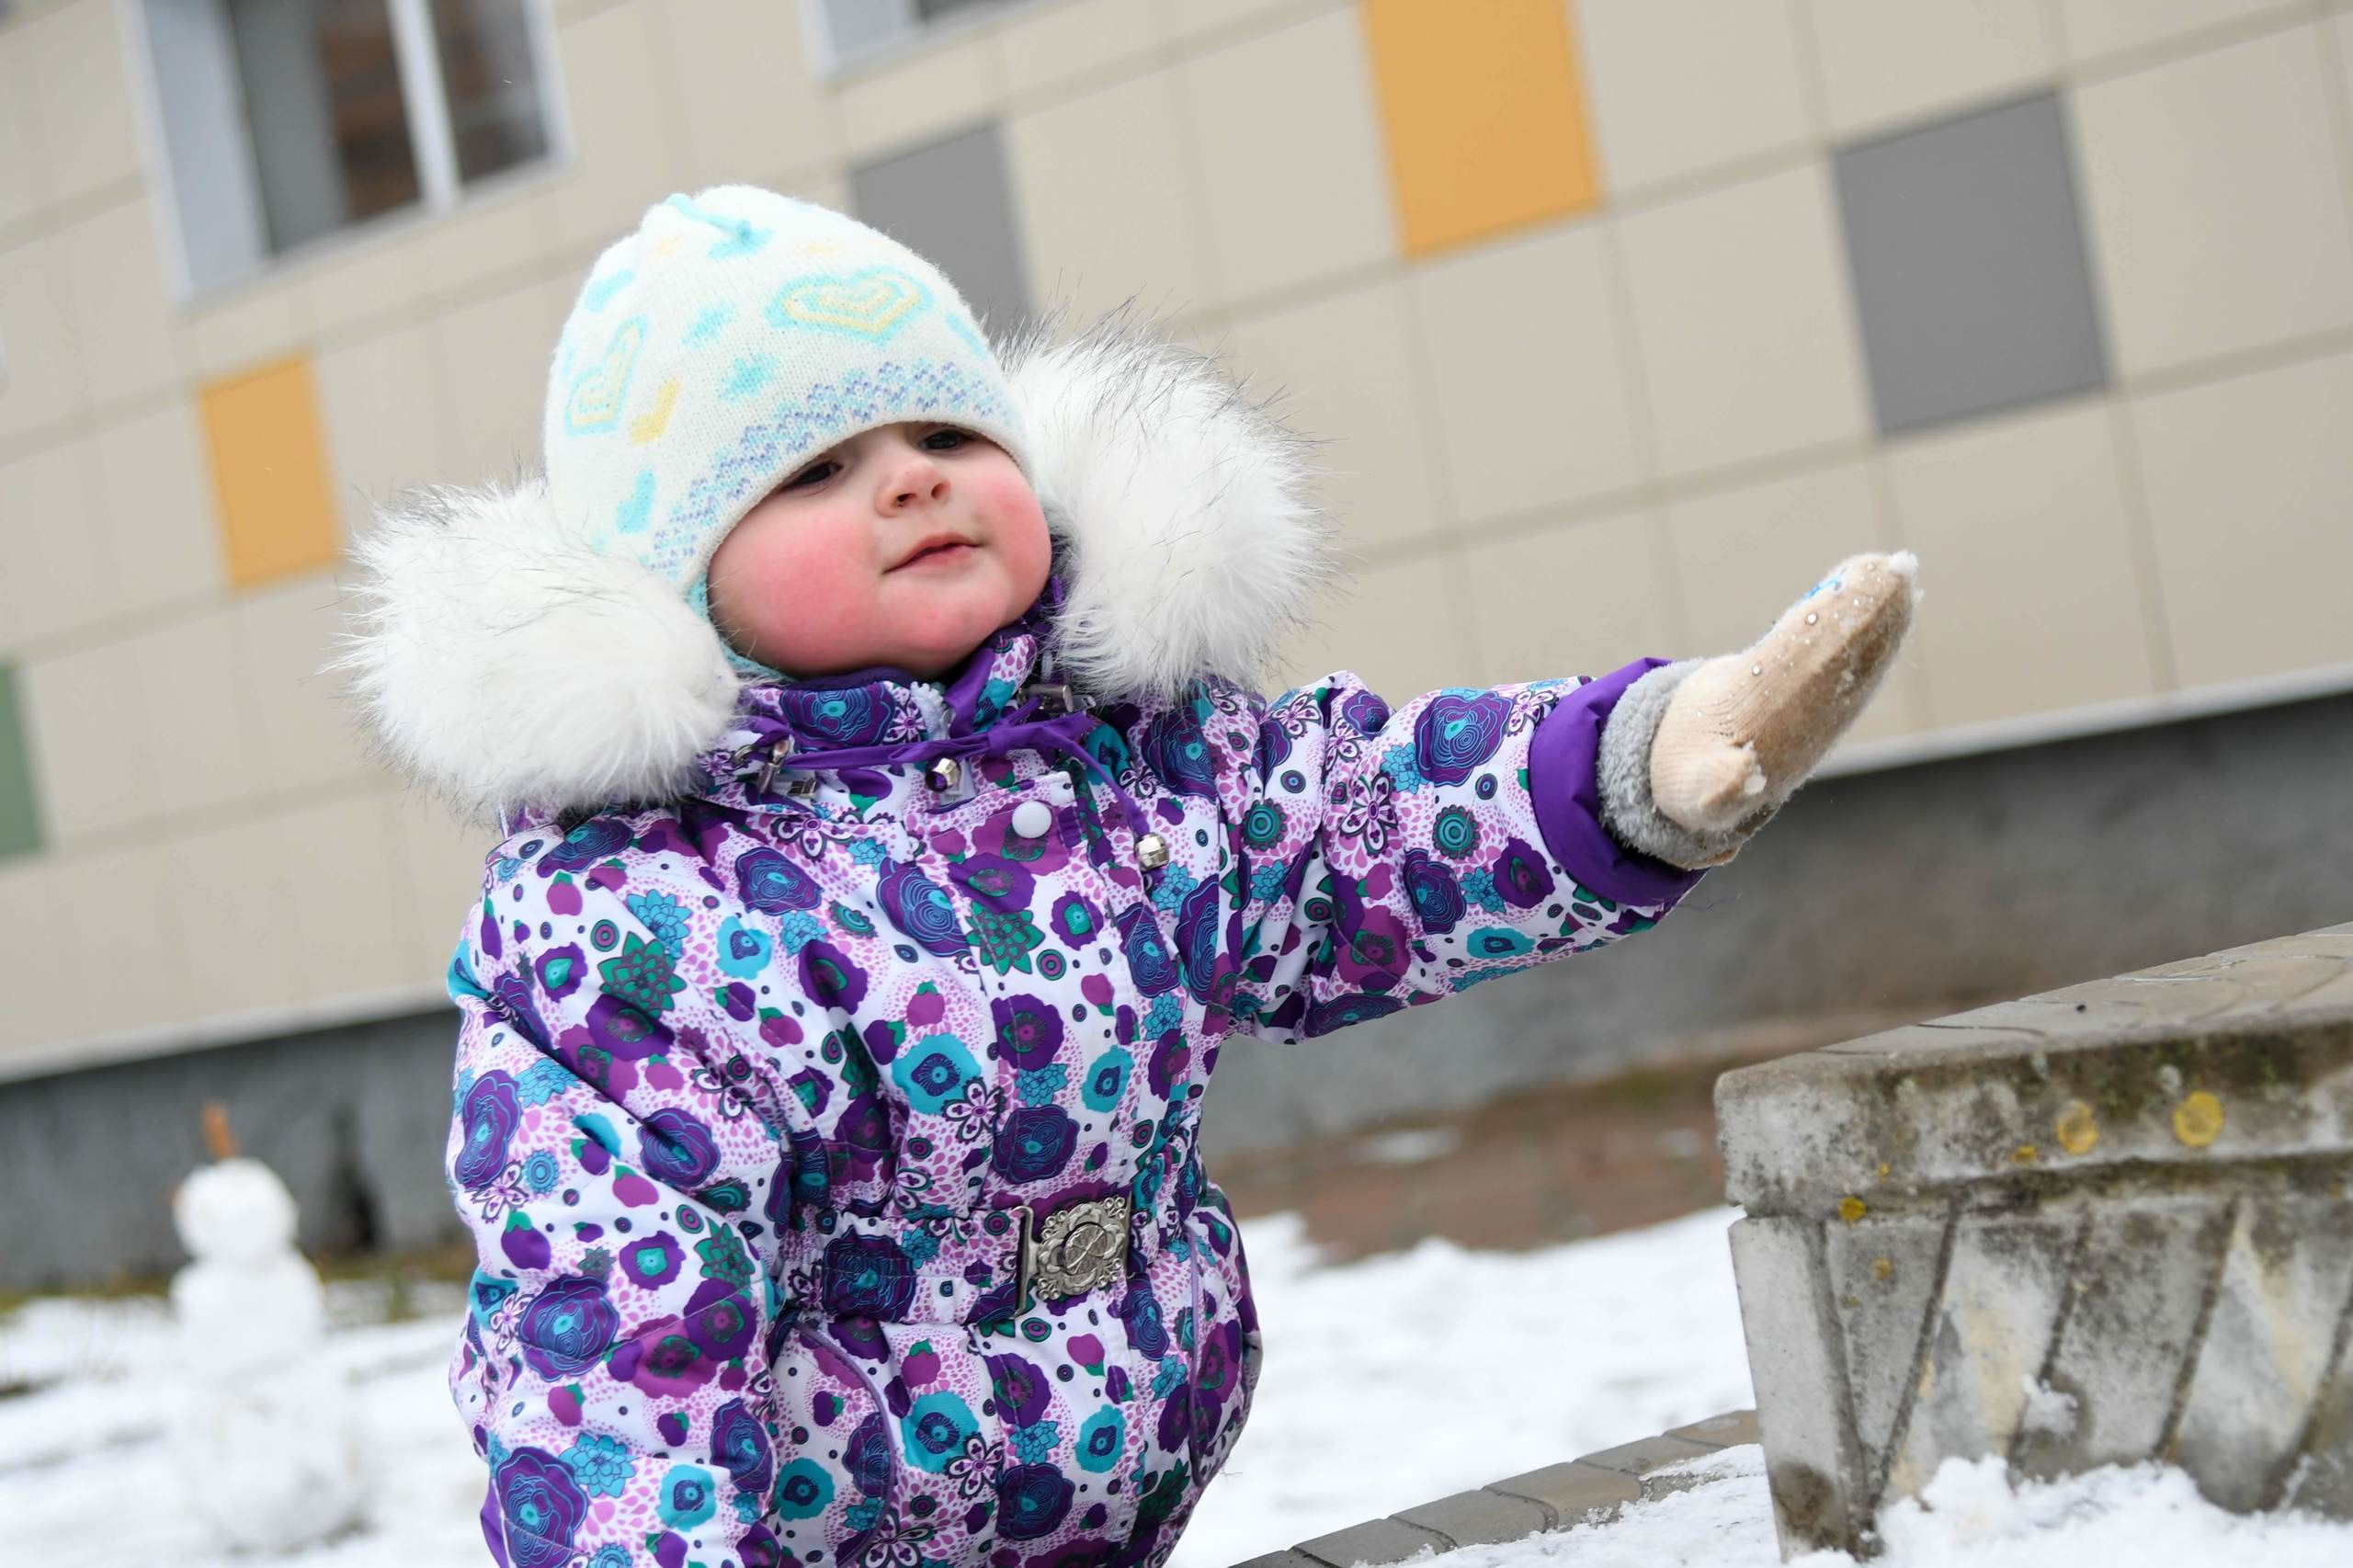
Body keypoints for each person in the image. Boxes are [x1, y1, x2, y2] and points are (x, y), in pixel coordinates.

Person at [340, 186, 1915, 1568]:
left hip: (1110, 1478)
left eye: (950, 433)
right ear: (679, 585)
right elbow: (616, 1352)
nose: (914, 479)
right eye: (814, 469)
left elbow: (1362, 829)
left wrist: (1630, 765)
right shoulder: (638, 916)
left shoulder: (1139, 764)